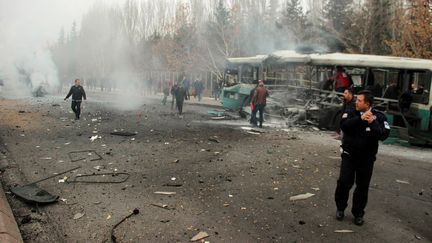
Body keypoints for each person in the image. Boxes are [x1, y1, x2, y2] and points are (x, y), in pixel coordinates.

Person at [335, 90, 390, 226]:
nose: (356, 102)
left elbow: (384, 135)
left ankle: (358, 214)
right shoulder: (351, 112)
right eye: (356, 100)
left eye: (359, 100)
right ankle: (340, 208)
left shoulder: (379, 116)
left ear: (367, 103)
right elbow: (344, 126)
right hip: (349, 155)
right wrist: (360, 119)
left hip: (367, 159)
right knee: (343, 182)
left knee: (362, 187)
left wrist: (372, 123)